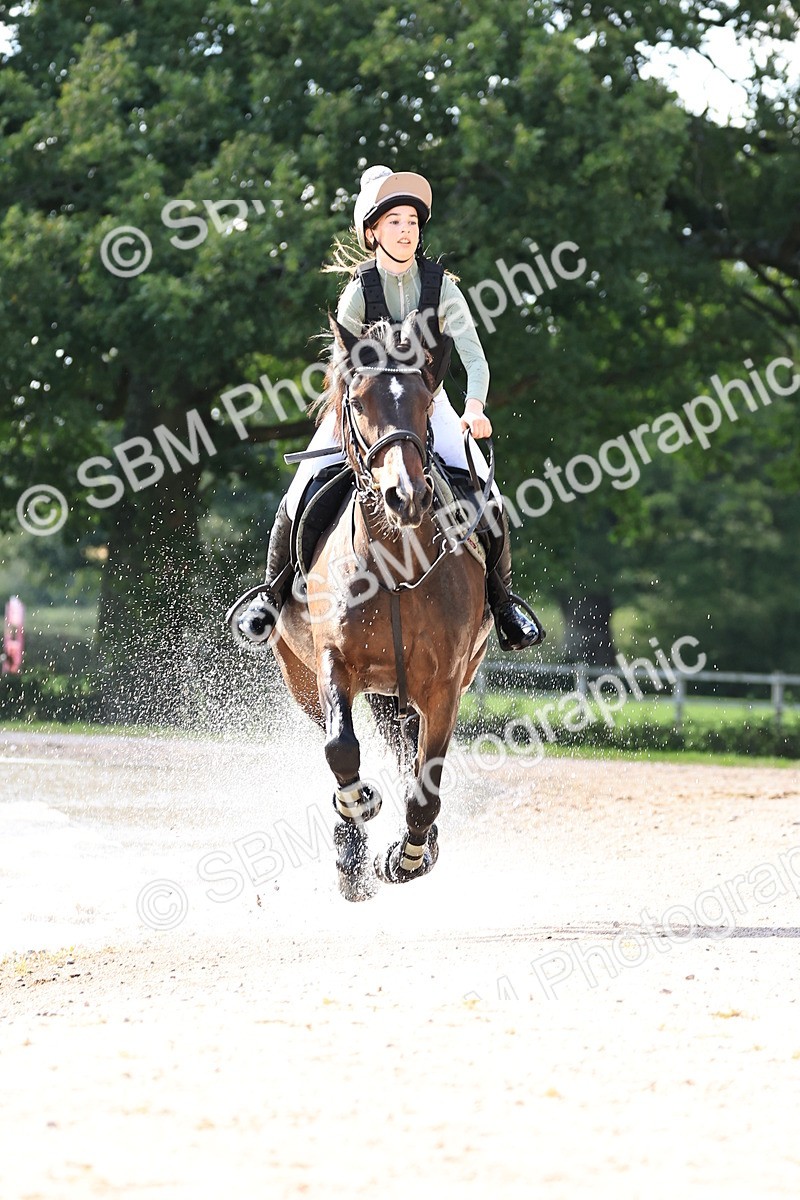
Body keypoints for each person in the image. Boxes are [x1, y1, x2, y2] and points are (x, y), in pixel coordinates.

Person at [235, 165, 544, 651]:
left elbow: (474, 356)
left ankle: (504, 605)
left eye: (413, 222)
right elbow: (341, 364)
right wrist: (350, 410)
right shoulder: (359, 290)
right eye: (395, 221)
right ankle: (272, 597)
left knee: (488, 491)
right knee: (299, 491)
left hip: (429, 404)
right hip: (367, 411)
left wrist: (476, 405)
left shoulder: (442, 286)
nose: (406, 230)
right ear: (373, 232)